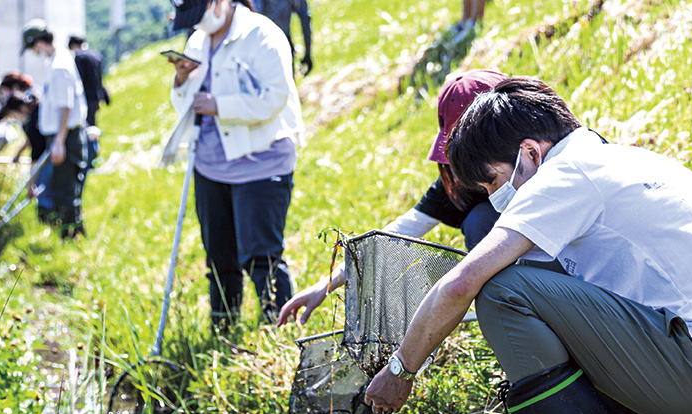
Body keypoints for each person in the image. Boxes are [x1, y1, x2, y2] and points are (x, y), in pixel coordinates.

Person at [362, 78, 692, 414]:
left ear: (529, 152)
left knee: (503, 289)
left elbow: (461, 283)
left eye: (493, 183)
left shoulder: (563, 176)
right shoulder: (627, 158)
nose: (494, 200)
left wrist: (401, 369)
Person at [275, 69, 510, 327]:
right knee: (480, 222)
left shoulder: (548, 161)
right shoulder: (459, 184)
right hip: (518, 281)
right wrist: (328, 283)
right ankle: (507, 307)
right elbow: (395, 234)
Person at [167, 0, 304, 330]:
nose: (196, 24)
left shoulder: (262, 35)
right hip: (210, 165)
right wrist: (182, 81)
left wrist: (219, 105)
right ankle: (224, 328)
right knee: (218, 257)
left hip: (260, 162)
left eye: (199, 15)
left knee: (261, 257)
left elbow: (274, 97)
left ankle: (280, 331)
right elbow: (186, 104)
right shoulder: (198, 39)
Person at [23, 20, 90, 239]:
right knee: (64, 185)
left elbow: (65, 106)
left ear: (39, 44)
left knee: (65, 188)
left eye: (33, 48)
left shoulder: (60, 66)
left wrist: (59, 141)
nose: (35, 53)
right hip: (62, 135)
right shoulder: (55, 62)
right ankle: (73, 233)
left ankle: (70, 236)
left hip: (66, 136)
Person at [249, 0, 315, 76]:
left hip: (262, 48)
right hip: (278, 47)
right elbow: (304, 17)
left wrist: (307, 51)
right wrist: (307, 51)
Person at [68, 36, 111, 127]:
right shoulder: (96, 55)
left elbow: (79, 78)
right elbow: (100, 77)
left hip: (86, 95)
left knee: (86, 124)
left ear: (74, 46)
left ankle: (91, 141)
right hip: (96, 94)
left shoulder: (80, 57)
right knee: (93, 121)